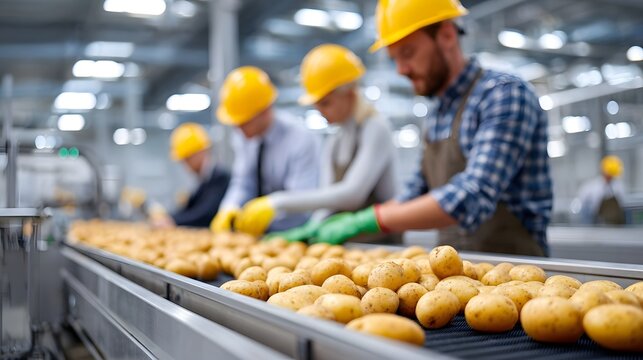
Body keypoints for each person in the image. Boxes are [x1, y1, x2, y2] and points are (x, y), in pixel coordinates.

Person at [305, 0, 553, 256]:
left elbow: (472, 195)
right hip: (453, 270)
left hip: (518, 275)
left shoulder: (504, 95)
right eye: (394, 59)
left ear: (446, 35)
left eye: (408, 53)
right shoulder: (436, 114)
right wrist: (353, 220)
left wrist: (375, 219)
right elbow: (414, 190)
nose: (401, 70)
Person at [234, 44, 399, 241]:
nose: (320, 111)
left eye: (326, 103)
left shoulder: (375, 128)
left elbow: (352, 194)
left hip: (384, 246)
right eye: (317, 105)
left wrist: (278, 202)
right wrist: (312, 229)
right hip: (349, 245)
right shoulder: (334, 141)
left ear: (350, 93)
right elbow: (328, 199)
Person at [210, 66, 321, 234]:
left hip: (296, 231)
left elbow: (303, 200)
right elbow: (243, 182)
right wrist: (229, 207)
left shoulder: (301, 139)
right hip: (258, 235)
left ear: (265, 111)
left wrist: (275, 207)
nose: (239, 129)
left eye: (244, 122)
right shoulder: (244, 138)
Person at [152, 122, 230, 228]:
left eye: (188, 158)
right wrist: (168, 217)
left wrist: (174, 220)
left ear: (201, 151)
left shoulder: (220, 178)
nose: (186, 165)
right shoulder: (204, 180)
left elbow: (206, 213)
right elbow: (190, 209)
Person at [577, 155, 626, 225]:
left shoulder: (618, 186)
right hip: (595, 223)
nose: (610, 177)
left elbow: (621, 204)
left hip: (614, 224)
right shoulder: (592, 187)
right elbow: (584, 203)